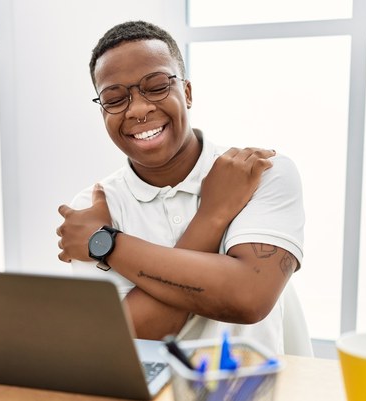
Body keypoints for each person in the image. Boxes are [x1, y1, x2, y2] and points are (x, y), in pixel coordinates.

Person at [56, 20, 304, 354]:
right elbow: (125, 338)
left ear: (186, 92)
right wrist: (214, 216)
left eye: (156, 86)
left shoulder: (262, 173)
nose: (139, 109)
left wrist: (107, 244)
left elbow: (248, 298)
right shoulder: (91, 206)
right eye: (115, 99)